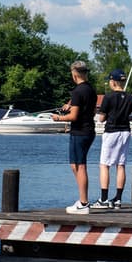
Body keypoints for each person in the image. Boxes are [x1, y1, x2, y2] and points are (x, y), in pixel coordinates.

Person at [91, 69, 132, 209]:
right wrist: (127, 117)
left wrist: (106, 115)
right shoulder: (130, 97)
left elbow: (101, 119)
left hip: (112, 132)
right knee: (121, 165)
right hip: (125, 132)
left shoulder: (108, 97)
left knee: (104, 165)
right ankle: (118, 200)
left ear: (113, 82)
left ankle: (103, 199)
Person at [51, 60, 96, 213]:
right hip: (88, 131)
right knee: (75, 165)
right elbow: (84, 107)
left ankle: (84, 203)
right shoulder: (90, 89)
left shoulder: (77, 91)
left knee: (80, 166)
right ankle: (82, 199)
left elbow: (74, 116)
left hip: (80, 132)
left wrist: (58, 118)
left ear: (74, 74)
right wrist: (70, 104)